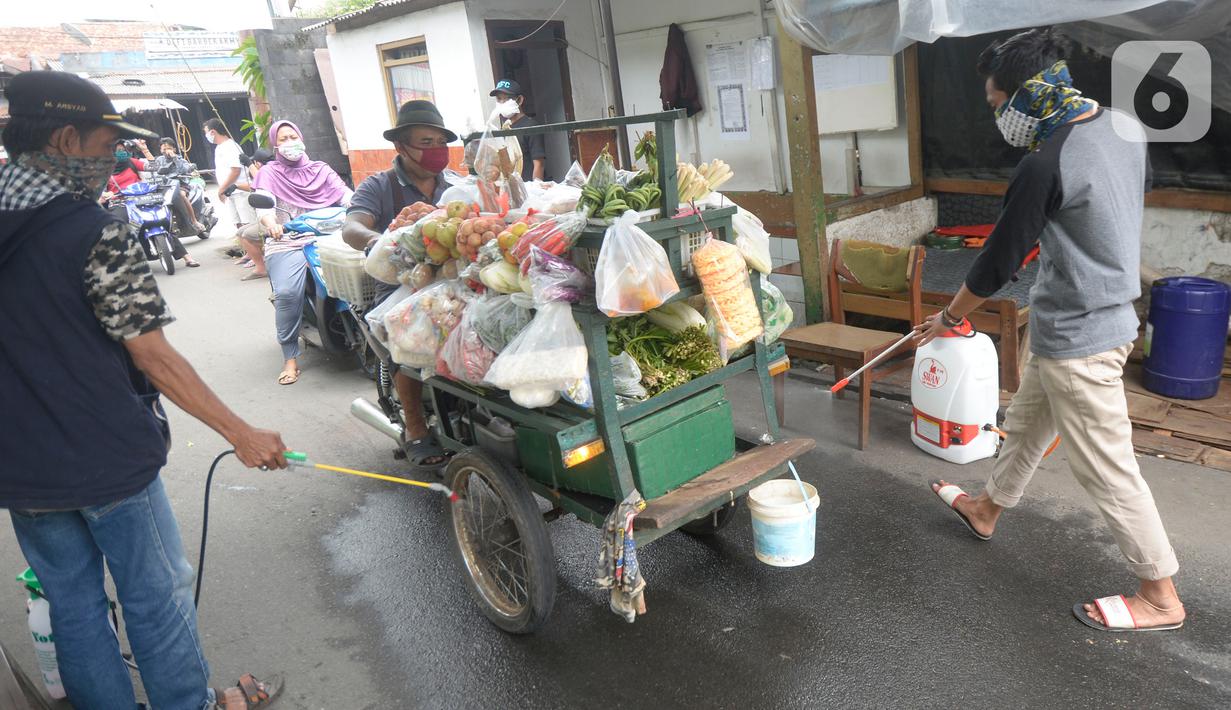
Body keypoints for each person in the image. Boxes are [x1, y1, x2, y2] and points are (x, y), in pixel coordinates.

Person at [0, 71, 284, 709]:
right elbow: (151, 353)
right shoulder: (94, 229)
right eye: (105, 146)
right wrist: (241, 432)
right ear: (68, 139)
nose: (111, 161)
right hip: (105, 456)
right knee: (157, 594)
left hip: (19, 464)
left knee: (73, 603)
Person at [916, 29, 1184, 633]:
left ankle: (1160, 594)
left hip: (1083, 340)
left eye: (997, 106)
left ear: (1027, 96)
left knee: (1107, 468)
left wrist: (950, 318)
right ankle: (986, 508)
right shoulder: (1121, 124)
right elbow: (1117, 200)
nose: (998, 120)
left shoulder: (1043, 163)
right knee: (1027, 425)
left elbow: (996, 262)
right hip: (1086, 319)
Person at [341, 99, 456, 471]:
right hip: (398, 283)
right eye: (426, 141)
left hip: (447, 278)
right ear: (401, 146)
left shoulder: (453, 186)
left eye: (441, 142)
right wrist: (383, 241)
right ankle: (416, 428)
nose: (436, 150)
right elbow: (351, 227)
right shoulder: (381, 185)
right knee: (412, 338)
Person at [250, 120, 353, 385]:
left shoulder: (321, 169)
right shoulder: (269, 173)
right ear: (275, 144)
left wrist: (359, 208)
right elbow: (265, 206)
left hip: (327, 234)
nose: (289, 143)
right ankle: (290, 358)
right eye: (282, 139)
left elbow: (344, 194)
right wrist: (271, 224)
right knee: (287, 293)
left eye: (292, 136)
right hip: (287, 238)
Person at [103, 138, 201, 268]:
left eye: (125, 150)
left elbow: (155, 167)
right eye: (119, 150)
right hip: (120, 203)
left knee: (161, 223)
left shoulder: (131, 162)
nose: (123, 153)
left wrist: (144, 149)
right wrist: (106, 194)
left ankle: (187, 258)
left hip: (141, 199)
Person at [204, 118, 254, 239]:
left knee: (248, 224)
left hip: (240, 191)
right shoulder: (220, 147)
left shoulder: (230, 146)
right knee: (237, 223)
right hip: (231, 192)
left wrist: (222, 189)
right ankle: (248, 251)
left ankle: (256, 251)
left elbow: (235, 170)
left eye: (206, 132)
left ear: (213, 132)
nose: (205, 135)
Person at [490, 79, 546, 181]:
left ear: (519, 100)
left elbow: (539, 164)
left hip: (527, 187)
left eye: (506, 99)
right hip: (510, 187)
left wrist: (536, 189)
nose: (502, 103)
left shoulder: (530, 126)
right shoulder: (504, 128)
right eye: (499, 99)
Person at [151, 136, 208, 236]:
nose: (165, 151)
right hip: (165, 186)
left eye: (168, 148)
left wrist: (174, 158)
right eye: (163, 149)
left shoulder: (180, 159)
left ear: (173, 149)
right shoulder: (159, 160)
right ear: (160, 150)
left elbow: (184, 169)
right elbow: (155, 170)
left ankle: (194, 221)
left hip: (180, 184)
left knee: (181, 195)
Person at [236, 148, 275, 280]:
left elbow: (259, 182)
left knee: (247, 235)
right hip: (268, 215)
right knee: (241, 231)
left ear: (258, 163)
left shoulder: (268, 172)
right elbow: (254, 186)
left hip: (275, 217)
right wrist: (235, 186)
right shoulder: (268, 171)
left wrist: (249, 164)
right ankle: (253, 256)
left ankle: (261, 268)